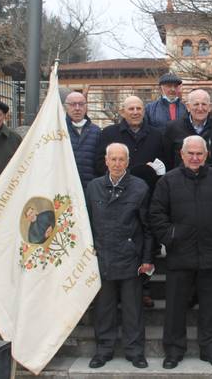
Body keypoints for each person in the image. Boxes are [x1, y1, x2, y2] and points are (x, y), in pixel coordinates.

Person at [150, 136, 212, 370]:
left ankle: (210, 350)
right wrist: (172, 236)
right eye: (191, 153)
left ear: (206, 155)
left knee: (211, 307)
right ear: (182, 154)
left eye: (200, 153)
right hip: (180, 254)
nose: (195, 157)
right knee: (176, 307)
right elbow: (156, 215)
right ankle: (174, 351)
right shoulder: (168, 181)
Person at [86, 143, 153, 369]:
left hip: (130, 258)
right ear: (106, 161)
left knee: (133, 309)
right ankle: (103, 350)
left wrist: (147, 258)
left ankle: (135, 352)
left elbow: (147, 227)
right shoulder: (93, 187)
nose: (116, 164)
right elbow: (85, 223)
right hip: (102, 256)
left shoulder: (140, 187)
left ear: (127, 162)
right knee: (104, 308)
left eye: (121, 159)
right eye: (112, 159)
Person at [96, 95, 165, 308]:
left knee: (146, 245)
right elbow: (99, 164)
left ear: (144, 111)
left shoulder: (156, 134)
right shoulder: (109, 134)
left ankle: (143, 289)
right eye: (131, 108)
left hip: (148, 196)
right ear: (122, 112)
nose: (135, 112)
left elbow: (164, 165)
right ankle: (116, 292)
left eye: (139, 108)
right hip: (114, 197)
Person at [162, 88, 212, 172]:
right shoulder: (173, 128)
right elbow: (168, 159)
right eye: (196, 104)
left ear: (209, 107)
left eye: (204, 104)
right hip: (181, 181)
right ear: (188, 106)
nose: (200, 108)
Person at [63, 91, 101, 189]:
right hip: (64, 187)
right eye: (72, 104)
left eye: (81, 104)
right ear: (66, 107)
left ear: (86, 107)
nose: (77, 108)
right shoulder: (59, 130)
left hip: (89, 187)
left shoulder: (96, 131)